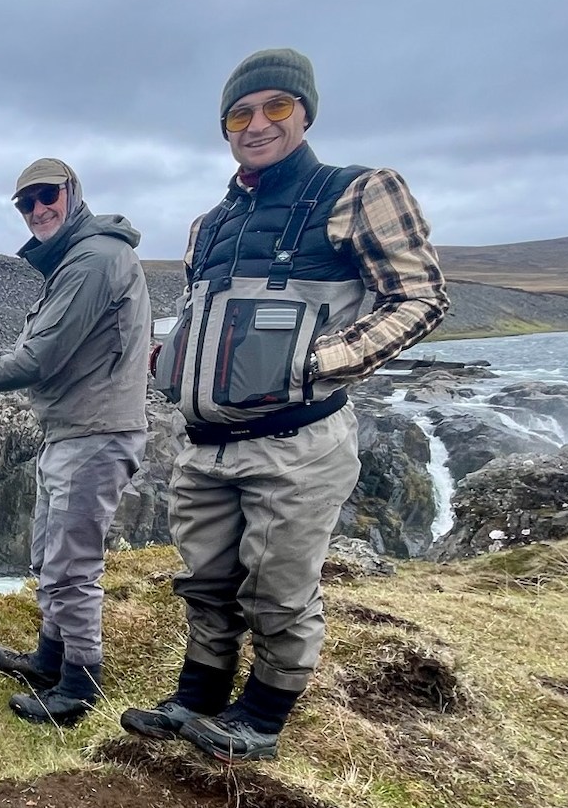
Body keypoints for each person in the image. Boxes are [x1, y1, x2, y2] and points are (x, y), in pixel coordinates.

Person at [124, 48, 449, 762]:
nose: (258, 123)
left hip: (297, 441)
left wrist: (320, 362)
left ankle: (263, 717)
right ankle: (197, 696)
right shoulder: (207, 224)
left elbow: (421, 297)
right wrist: (170, 364)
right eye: (241, 112)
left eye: (276, 107)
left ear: (305, 112)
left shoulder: (360, 191)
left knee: (277, 585)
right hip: (205, 445)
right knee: (206, 579)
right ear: (225, 126)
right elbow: (203, 314)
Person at [0, 158, 149, 726]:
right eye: (26, 202)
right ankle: (49, 656)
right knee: (50, 552)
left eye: (47, 196)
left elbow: (40, 357)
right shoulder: (79, 259)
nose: (37, 209)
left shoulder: (93, 259)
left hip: (95, 431)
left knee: (71, 565)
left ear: (72, 194)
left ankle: (78, 686)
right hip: (71, 429)